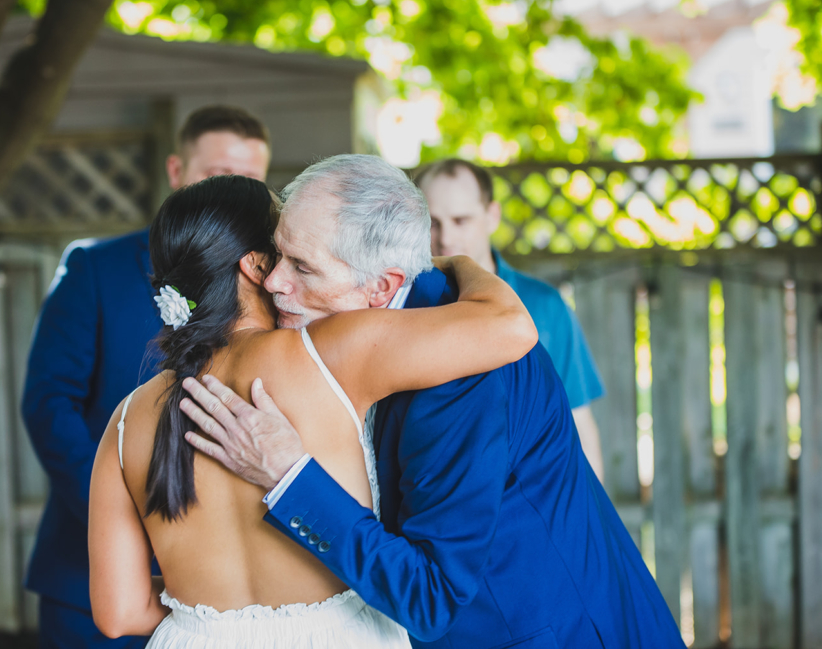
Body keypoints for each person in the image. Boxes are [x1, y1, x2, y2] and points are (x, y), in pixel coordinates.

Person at [179, 155, 685, 648]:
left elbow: (432, 597)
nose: (273, 282)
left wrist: (288, 474)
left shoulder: (460, 371)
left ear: (383, 286)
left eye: (303, 268)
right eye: (278, 253)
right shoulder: (370, 324)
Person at [87, 175, 537, 647]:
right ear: (257, 265)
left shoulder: (125, 420)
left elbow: (120, 613)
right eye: (281, 250)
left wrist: (209, 607)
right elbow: (509, 327)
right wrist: (455, 262)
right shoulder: (331, 352)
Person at [21, 105, 270, 649]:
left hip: (225, 591)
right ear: (177, 171)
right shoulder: (96, 269)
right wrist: (121, 511)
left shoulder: (274, 286)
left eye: (249, 179)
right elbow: (48, 403)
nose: (231, 189)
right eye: (216, 173)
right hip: (91, 578)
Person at [415, 158, 606, 480]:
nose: (446, 238)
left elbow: (579, 427)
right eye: (433, 222)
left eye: (461, 220)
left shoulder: (545, 307)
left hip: (531, 501)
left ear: (492, 216)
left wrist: (592, 525)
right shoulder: (400, 306)